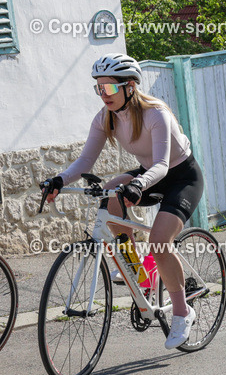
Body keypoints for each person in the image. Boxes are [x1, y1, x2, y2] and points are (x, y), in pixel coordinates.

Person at [42, 53, 205, 350]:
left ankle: (183, 312)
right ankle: (137, 272)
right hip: (149, 175)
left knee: (158, 241)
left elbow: (162, 165)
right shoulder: (105, 118)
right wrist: (59, 180)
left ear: (130, 86)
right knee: (112, 188)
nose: (104, 95)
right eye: (99, 88)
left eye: (110, 88)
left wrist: (139, 183)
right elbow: (85, 161)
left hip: (181, 177)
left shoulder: (156, 114)